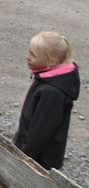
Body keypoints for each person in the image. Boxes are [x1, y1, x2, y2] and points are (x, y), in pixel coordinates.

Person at [13, 32, 79, 170]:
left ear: (52, 62)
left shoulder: (52, 93)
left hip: (39, 159)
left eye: (33, 54)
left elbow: (40, 133)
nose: (27, 56)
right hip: (32, 152)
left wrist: (22, 159)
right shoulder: (46, 77)